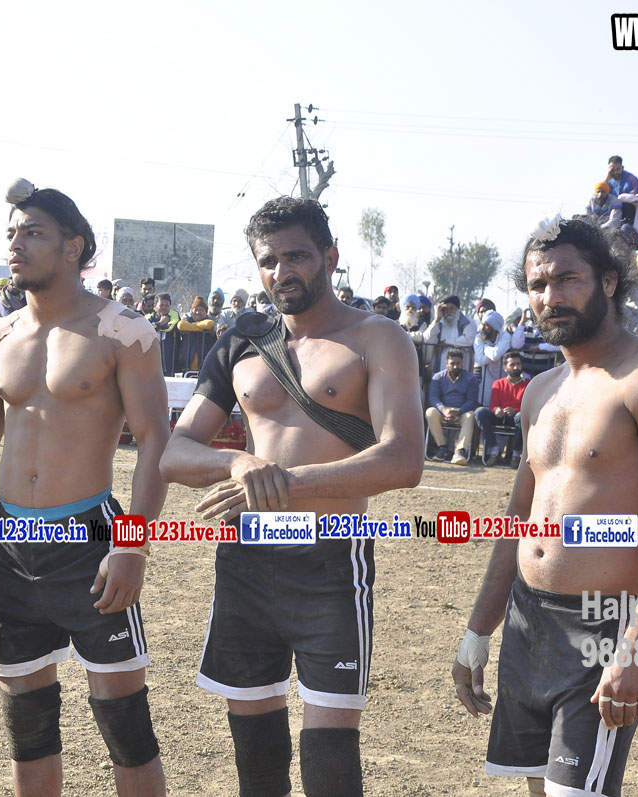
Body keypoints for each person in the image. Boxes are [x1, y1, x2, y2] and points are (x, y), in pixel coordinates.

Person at [160, 196, 424, 797]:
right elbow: (176, 454)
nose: (283, 271)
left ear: (330, 257)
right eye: (268, 261)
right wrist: (238, 461)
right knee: (257, 762)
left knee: (330, 766)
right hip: (246, 562)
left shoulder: (377, 338)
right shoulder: (241, 341)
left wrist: (287, 481)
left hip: (331, 560)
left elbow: (404, 459)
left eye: (297, 256)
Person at [0, 179, 168, 795]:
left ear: (73, 247)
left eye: (33, 233)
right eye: (12, 233)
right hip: (11, 544)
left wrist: (133, 546)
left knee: (124, 722)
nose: (16, 244)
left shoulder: (123, 332)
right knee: (28, 726)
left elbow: (154, 443)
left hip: (91, 541)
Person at [452, 215, 638, 797]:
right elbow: (518, 520)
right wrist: (479, 631)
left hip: (602, 623)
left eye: (567, 279)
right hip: (527, 619)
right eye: (538, 285)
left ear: (609, 281)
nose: (550, 297)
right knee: (537, 789)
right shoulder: (541, 391)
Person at [473, 349, 529, 467]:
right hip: (501, 416)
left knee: (521, 416)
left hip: (517, 418)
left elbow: (529, 407)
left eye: (518, 364)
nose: (516, 367)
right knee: (480, 412)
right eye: (512, 364)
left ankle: (516, 453)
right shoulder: (498, 383)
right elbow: (493, 405)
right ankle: (493, 449)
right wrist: (496, 410)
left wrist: (515, 411)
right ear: (505, 368)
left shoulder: (528, 384)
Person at [426, 348, 480, 464]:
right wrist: (443, 409)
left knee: (470, 416)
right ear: (446, 364)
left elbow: (472, 401)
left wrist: (459, 411)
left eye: (458, 363)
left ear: (462, 363)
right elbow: (433, 398)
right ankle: (442, 447)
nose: (455, 366)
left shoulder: (471, 379)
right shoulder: (437, 377)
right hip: (443, 412)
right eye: (452, 363)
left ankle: (460, 451)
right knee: (430, 412)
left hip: (462, 412)